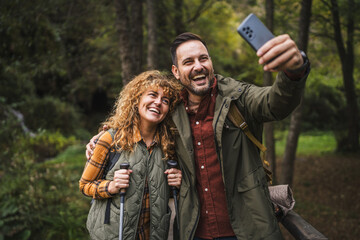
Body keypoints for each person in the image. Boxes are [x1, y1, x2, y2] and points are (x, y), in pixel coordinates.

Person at [87, 32, 310, 240]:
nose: (198, 66)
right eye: (188, 62)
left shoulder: (238, 98)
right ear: (176, 72)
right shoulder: (171, 109)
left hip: (249, 229)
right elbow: (139, 122)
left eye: (203, 58)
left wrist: (294, 71)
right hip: (194, 231)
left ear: (210, 62)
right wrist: (104, 137)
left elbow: (275, 104)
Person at [79, 70, 183, 239]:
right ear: (137, 99)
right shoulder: (110, 140)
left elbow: (162, 193)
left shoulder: (168, 146)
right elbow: (85, 185)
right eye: (152, 95)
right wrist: (111, 186)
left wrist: (177, 185)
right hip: (113, 234)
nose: (158, 103)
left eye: (165, 101)